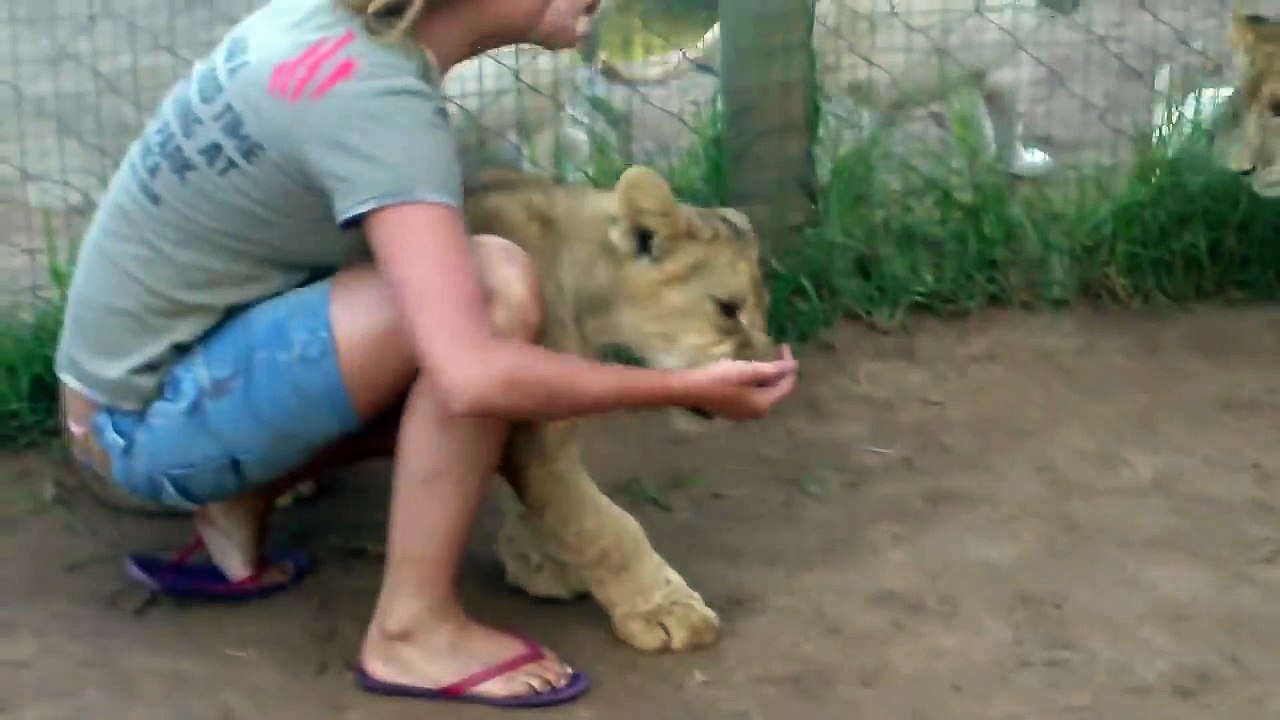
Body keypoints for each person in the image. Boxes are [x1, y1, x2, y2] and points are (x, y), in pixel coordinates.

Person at [53, 0, 799, 708]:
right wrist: (679, 388)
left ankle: (239, 497)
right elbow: (470, 375)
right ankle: (413, 631)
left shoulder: (335, 28)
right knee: (489, 295)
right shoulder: (379, 103)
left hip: (132, 395)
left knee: (462, 310)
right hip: (140, 431)